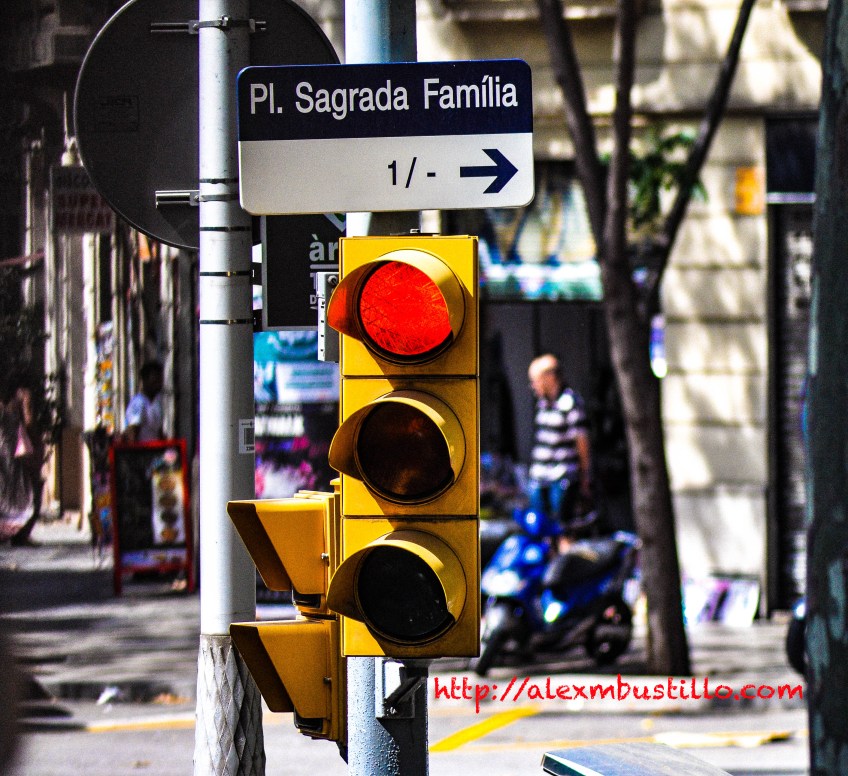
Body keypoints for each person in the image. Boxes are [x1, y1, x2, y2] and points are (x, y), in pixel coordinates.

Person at [527, 354, 593, 542]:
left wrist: (584, 476)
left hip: (562, 477)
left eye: (536, 381)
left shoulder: (570, 403)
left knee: (563, 529)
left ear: (550, 378)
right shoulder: (543, 404)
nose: (534, 386)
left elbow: (582, 442)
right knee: (541, 530)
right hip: (541, 477)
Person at [123, 361, 164, 443]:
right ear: (145, 381)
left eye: (160, 380)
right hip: (142, 453)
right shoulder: (139, 403)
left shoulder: (157, 403)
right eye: (154, 380)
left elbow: (159, 432)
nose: (158, 384)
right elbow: (132, 433)